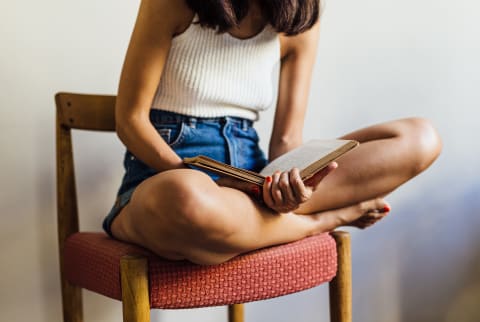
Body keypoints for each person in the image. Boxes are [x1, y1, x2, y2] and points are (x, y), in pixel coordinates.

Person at [103, 0, 442, 265]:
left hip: (255, 185)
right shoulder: (174, 3)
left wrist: (293, 187)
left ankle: (250, 226)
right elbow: (130, 120)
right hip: (165, 177)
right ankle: (322, 221)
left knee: (420, 138)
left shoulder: (299, 20)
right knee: (187, 199)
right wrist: (198, 177)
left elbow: (286, 142)